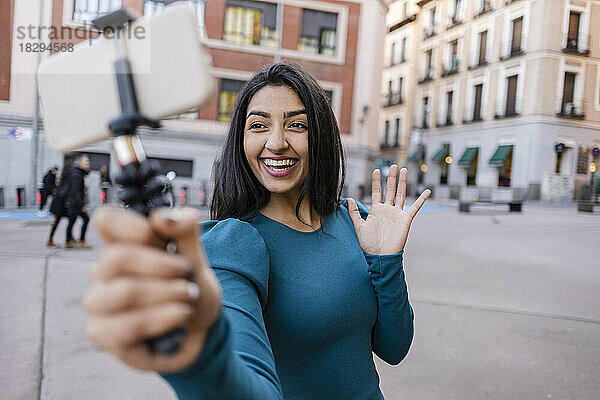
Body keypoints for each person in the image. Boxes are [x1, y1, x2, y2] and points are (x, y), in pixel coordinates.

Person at [83, 63, 431, 399]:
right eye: (258, 126)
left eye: (297, 125)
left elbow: (395, 348)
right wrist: (199, 362)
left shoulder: (359, 223)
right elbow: (246, 382)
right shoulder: (234, 244)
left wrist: (386, 262)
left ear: (322, 136)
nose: (276, 143)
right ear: (241, 139)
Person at [65, 155, 91, 249]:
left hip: (74, 202)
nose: (88, 164)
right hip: (75, 203)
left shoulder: (78, 173)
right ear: (80, 163)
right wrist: (82, 205)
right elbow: (76, 191)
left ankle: (69, 241)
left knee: (72, 222)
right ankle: (80, 241)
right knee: (85, 219)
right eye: (86, 162)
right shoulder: (76, 175)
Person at [46, 164, 71, 247]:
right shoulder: (66, 178)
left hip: (59, 203)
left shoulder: (62, 177)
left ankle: (50, 239)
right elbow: (64, 190)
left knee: (65, 220)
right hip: (60, 203)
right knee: (68, 220)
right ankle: (50, 240)